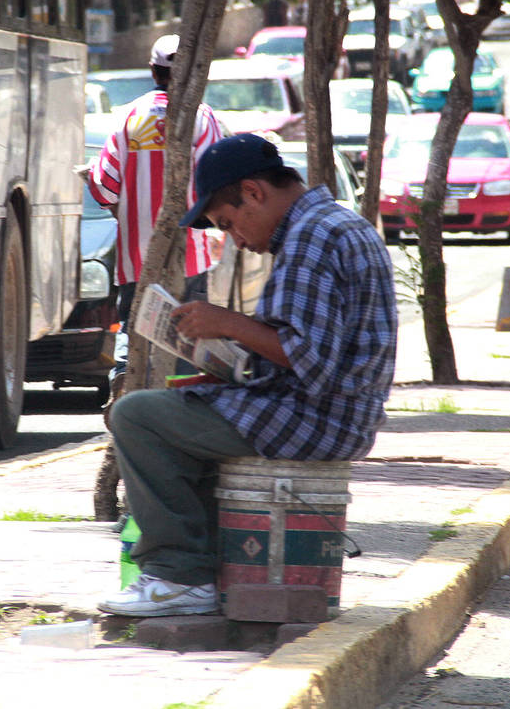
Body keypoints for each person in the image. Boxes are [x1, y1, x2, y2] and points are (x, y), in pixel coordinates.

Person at [97, 133, 398, 617]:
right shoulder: (332, 224)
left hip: (317, 418)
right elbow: (307, 348)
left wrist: (227, 323)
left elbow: (309, 359)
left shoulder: (312, 237)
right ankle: (210, 569)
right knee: (180, 409)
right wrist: (227, 365)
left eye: (229, 223)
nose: (235, 239)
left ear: (254, 192)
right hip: (333, 412)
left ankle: (179, 576)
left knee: (137, 416)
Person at [87, 34, 225, 403]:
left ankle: (124, 377)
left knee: (134, 324)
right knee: (187, 335)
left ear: (153, 70)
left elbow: (103, 189)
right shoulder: (203, 117)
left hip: (137, 253)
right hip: (191, 252)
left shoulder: (128, 116)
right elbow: (215, 184)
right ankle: (178, 403)